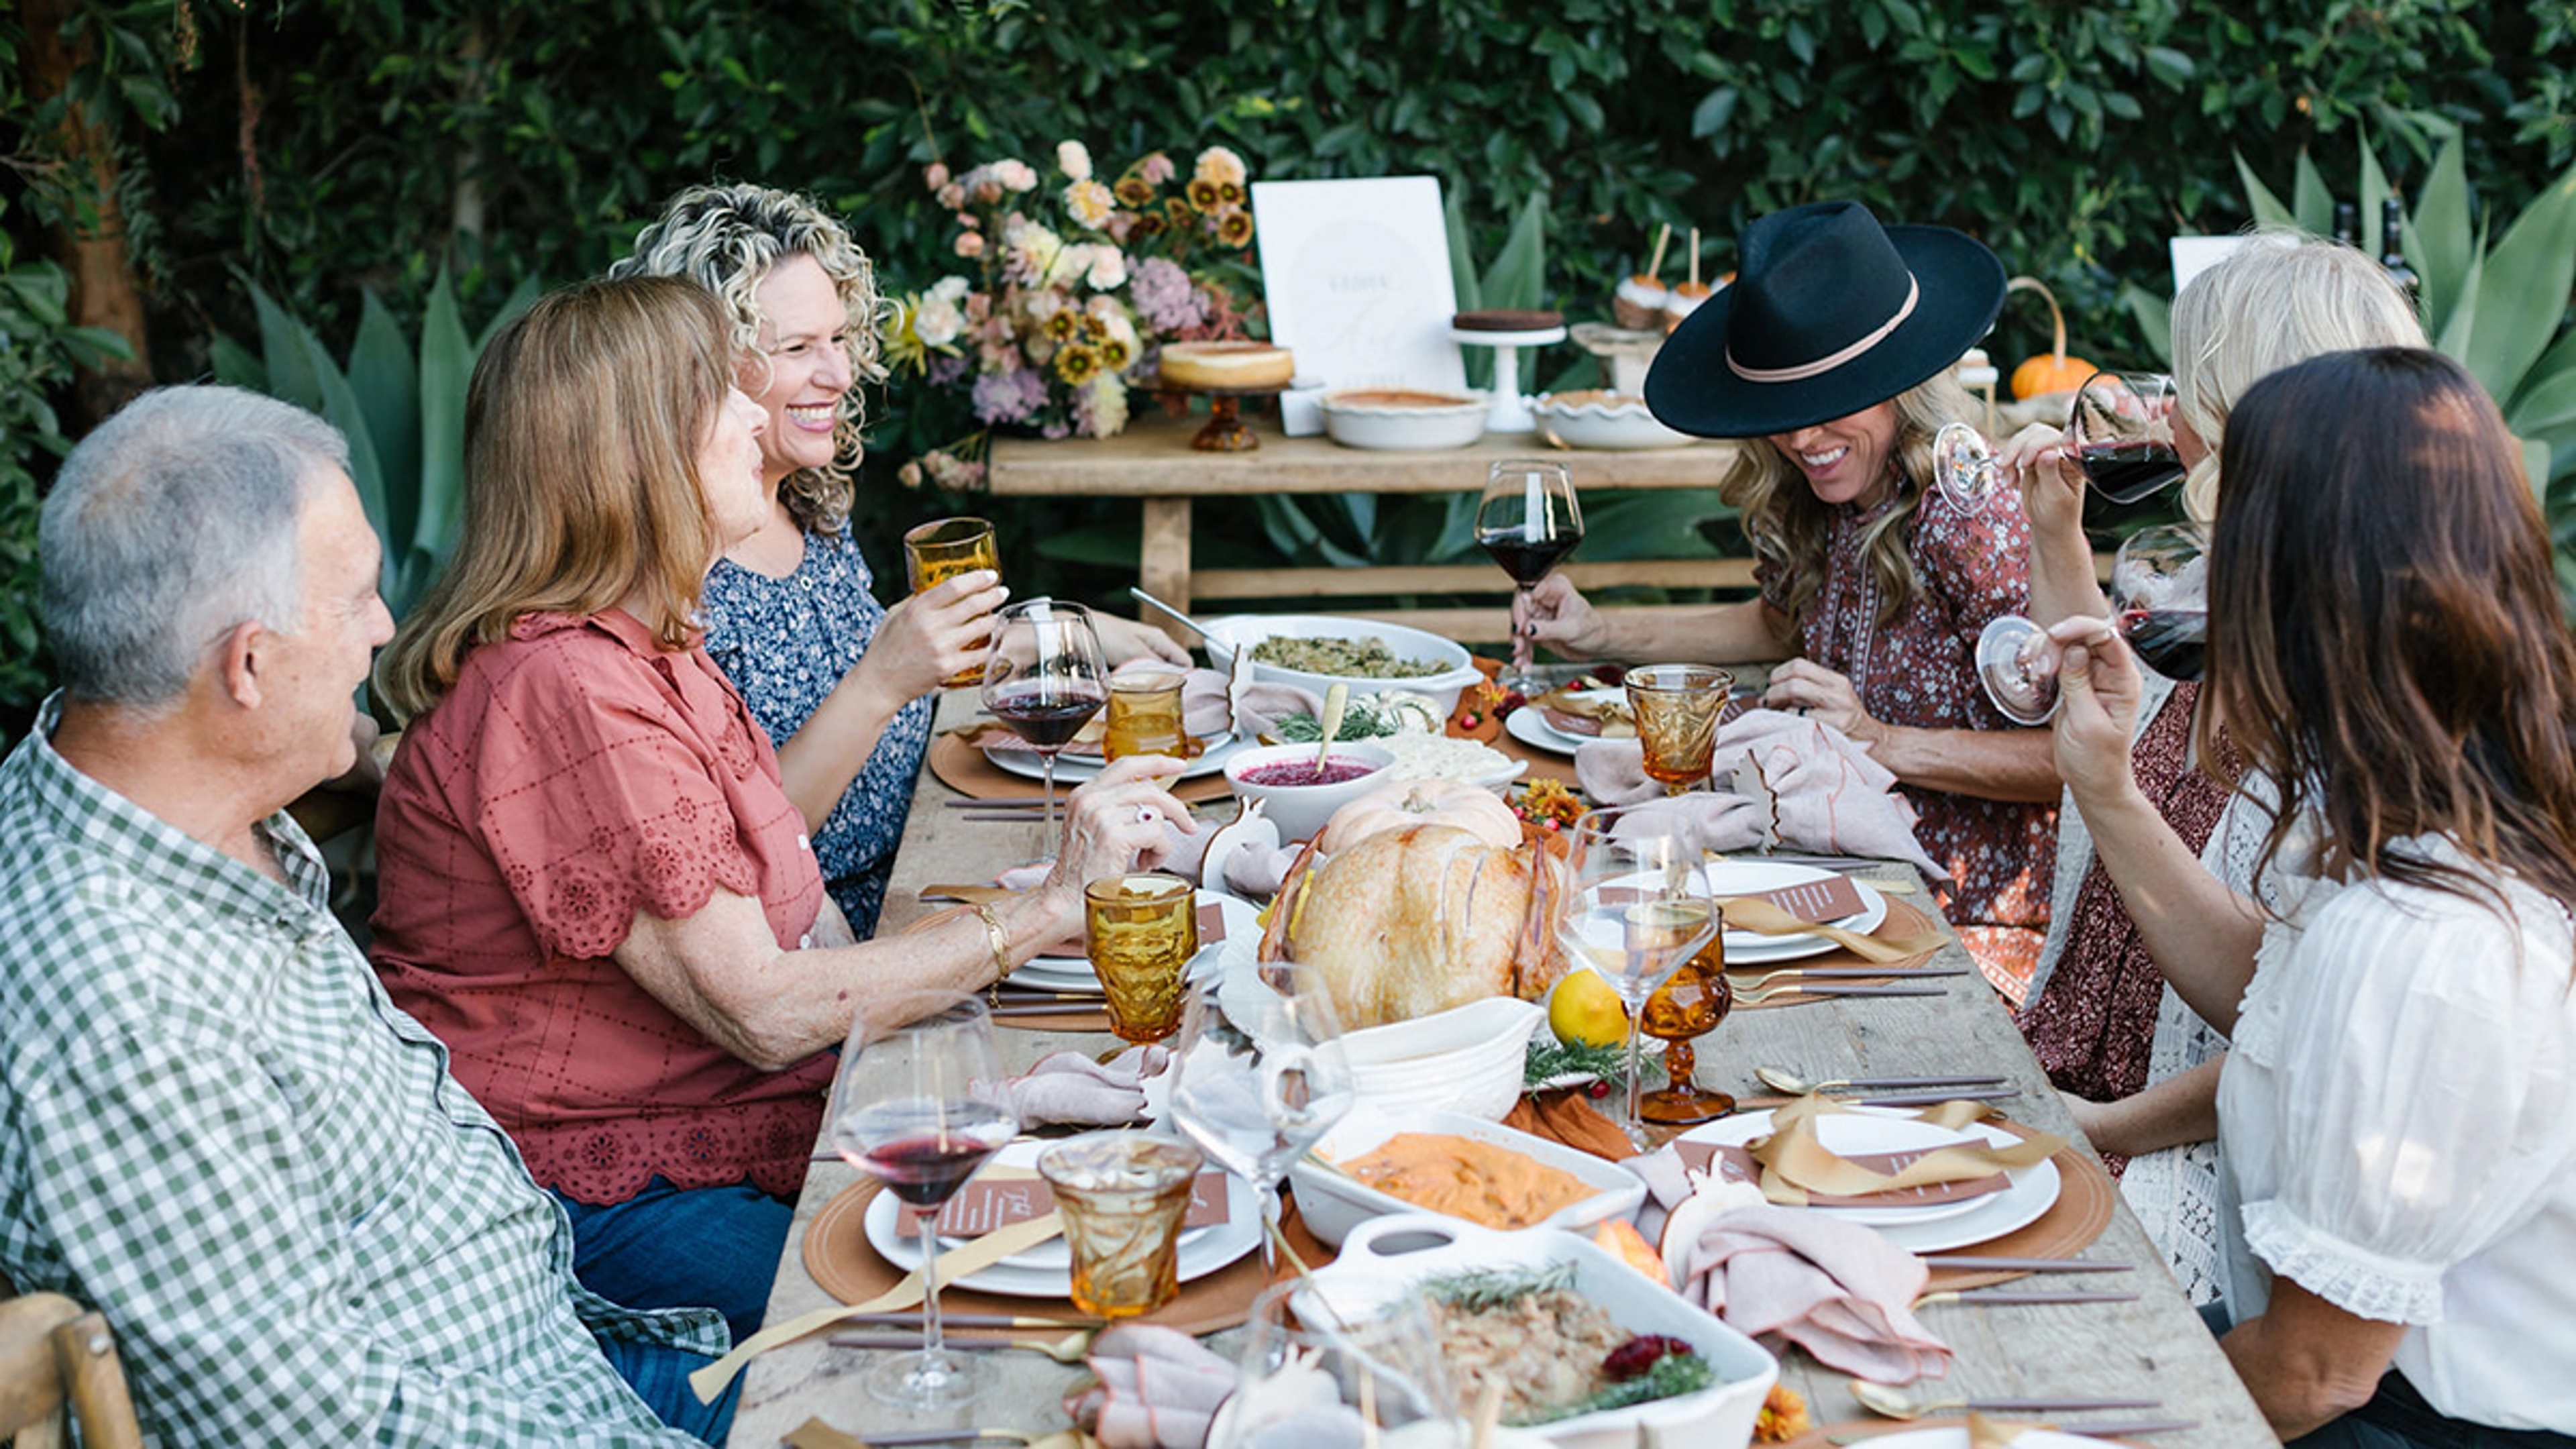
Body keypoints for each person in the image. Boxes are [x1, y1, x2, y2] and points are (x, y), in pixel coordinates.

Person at [368, 275, 1185, 1345]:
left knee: (1088, 1217)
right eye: (724, 396)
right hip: (596, 1193)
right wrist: (1041, 915)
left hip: (728, 1121)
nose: (759, 417)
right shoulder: (567, 687)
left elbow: (803, 911)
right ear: (638, 456)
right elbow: (762, 1011)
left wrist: (1004, 1082)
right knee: (938, 1320)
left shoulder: (649, 642)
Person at [0, 384, 730, 1444]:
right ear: (246, 666)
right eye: (357, 600)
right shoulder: (118, 1007)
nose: (385, 629)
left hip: (571, 1351)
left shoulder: (181, 807)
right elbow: (320, 1420)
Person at [2054, 347, 2576, 1445]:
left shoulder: (2426, 937)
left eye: (2225, 553)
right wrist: (2102, 782)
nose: (2196, 587)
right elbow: (2278, 1008)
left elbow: (2312, 1373)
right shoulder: (2434, 804)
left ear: (2304, 589)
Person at [2004, 232, 2425, 1306]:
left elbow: (2287, 1025)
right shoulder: (2231, 582)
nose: (2161, 417)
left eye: (2183, 390)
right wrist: (2059, 536)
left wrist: (2092, 1131)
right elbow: (2091, 693)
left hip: (2173, 1165)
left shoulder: (2368, 686)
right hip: (2065, 1065)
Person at [610, 182, 1186, 936]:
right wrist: (882, 680)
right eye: (797, 349)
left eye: (840, 339)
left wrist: (1034, 638)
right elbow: (741, 849)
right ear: (699, 368)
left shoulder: (804, 502)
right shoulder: (665, 569)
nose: (840, 375)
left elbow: (855, 665)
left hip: (934, 856)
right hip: (850, 932)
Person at [1517, 201, 2057, 987]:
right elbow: (1781, 624)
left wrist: (1877, 738)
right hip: (1823, 868)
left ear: (1901, 384)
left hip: (1960, 918)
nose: (1804, 439)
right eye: (1787, 410)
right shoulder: (1826, 488)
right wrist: (1603, 633)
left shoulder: (1972, 512)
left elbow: (2069, 757)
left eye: (1837, 399)